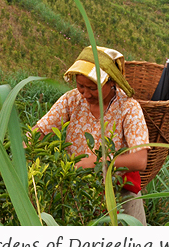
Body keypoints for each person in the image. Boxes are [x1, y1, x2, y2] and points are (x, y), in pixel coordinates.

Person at [31, 46, 149, 224]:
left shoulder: (128, 108)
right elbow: (38, 132)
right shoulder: (71, 100)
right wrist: (21, 147)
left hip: (120, 194)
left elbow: (140, 160)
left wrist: (99, 162)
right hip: (77, 190)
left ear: (112, 82)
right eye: (80, 86)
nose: (85, 93)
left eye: (93, 88)